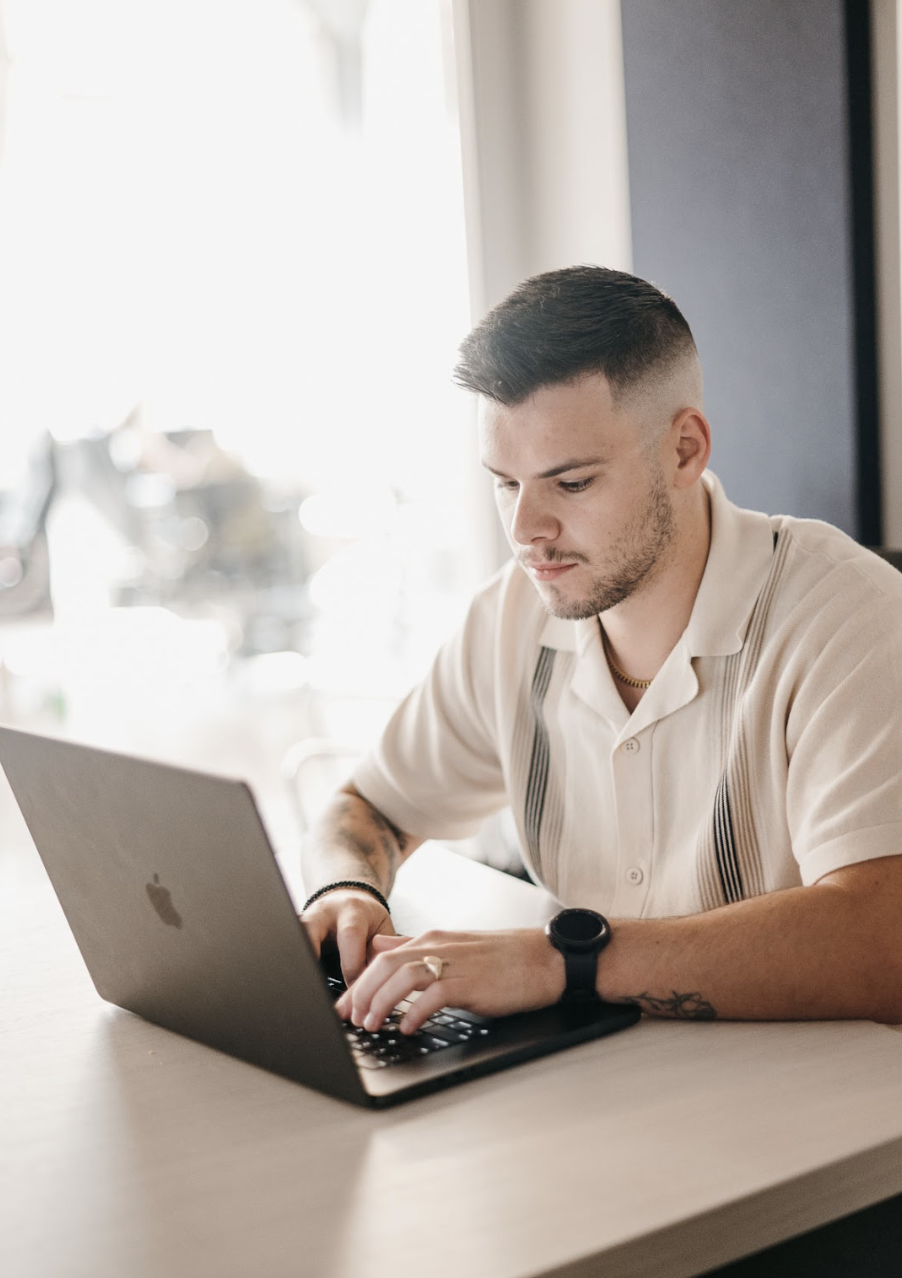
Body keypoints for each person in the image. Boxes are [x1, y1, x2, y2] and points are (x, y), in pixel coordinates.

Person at [301, 264, 902, 1035]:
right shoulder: (509, 619)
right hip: (609, 1092)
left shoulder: (845, 618)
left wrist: (561, 962)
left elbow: (884, 941)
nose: (525, 532)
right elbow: (368, 807)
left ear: (685, 450)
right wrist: (346, 893)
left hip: (819, 1120)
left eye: (572, 483)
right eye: (505, 484)